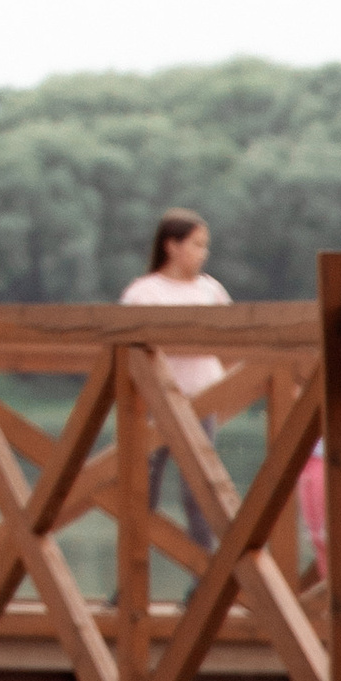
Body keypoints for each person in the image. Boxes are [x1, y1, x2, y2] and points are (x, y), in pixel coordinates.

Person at [124, 207, 231, 554]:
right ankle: (128, 587)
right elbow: (127, 349)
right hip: (154, 403)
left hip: (203, 401)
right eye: (197, 244)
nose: (204, 252)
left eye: (205, 245)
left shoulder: (211, 290)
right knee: (142, 492)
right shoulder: (145, 292)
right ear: (172, 246)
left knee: (199, 492)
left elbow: (235, 336)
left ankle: (204, 583)